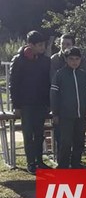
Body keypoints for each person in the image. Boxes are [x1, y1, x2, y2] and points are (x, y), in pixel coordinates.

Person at [9, 30, 51, 174]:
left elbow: (48, 82)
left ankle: (40, 160)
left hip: (41, 103)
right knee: (28, 134)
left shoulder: (45, 61)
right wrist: (16, 105)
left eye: (43, 45)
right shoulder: (19, 60)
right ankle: (30, 163)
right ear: (30, 45)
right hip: (25, 104)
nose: (42, 48)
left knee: (39, 133)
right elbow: (13, 84)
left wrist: (48, 103)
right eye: (39, 45)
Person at [50, 47, 86, 169]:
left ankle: (76, 164)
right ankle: (63, 165)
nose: (74, 61)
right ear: (66, 59)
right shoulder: (60, 74)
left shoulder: (83, 75)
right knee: (65, 142)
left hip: (81, 115)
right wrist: (56, 113)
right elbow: (54, 95)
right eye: (71, 59)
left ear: (80, 60)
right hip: (65, 116)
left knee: (79, 141)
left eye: (77, 59)